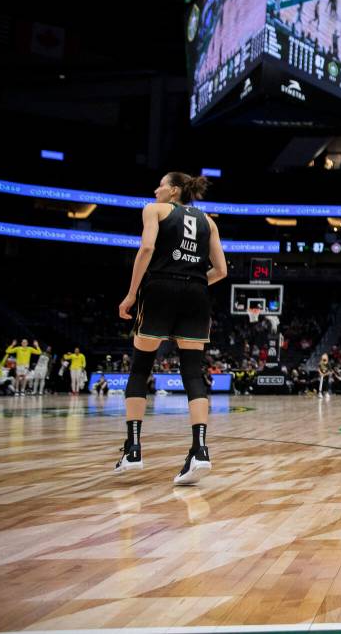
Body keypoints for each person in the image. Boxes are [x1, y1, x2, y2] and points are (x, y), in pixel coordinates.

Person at [114, 172, 228, 486]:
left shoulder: (154, 210)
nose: (155, 189)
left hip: (161, 287)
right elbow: (221, 270)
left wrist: (131, 293)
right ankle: (200, 451)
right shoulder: (208, 221)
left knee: (140, 367)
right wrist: (195, 280)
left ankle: (133, 449)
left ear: (173, 190)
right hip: (197, 292)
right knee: (193, 372)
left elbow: (147, 249)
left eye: (161, 185)